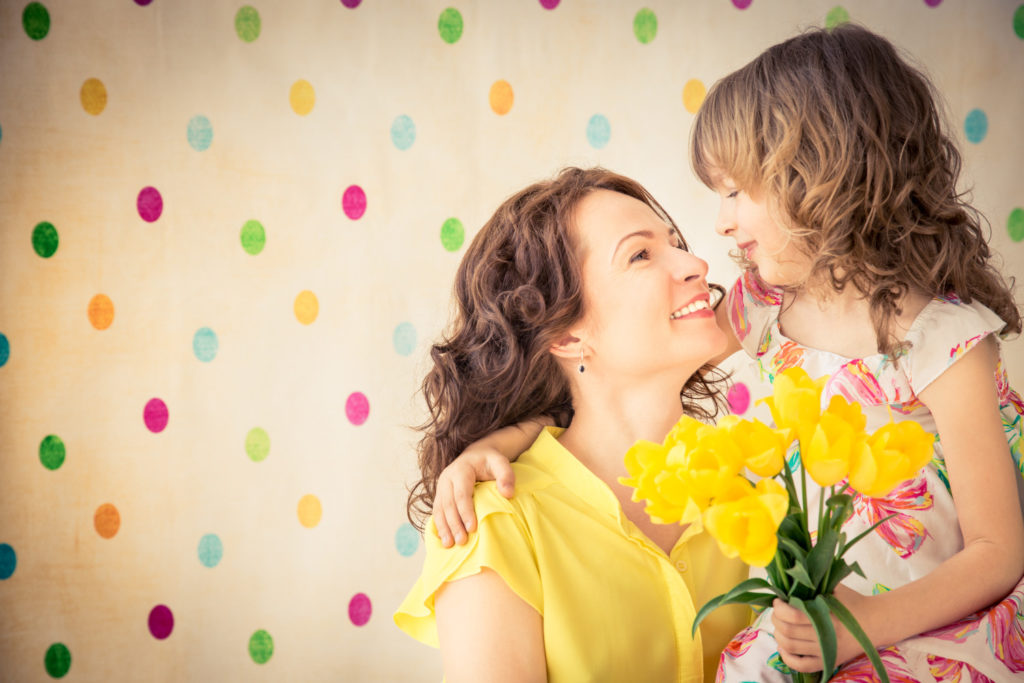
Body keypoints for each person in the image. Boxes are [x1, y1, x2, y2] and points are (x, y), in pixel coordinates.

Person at [431, 24, 1024, 681]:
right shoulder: (767, 304)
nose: (709, 239)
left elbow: (998, 548)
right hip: (815, 632)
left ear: (820, 178)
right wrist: (503, 441)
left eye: (737, 192)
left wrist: (862, 627)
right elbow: (600, 384)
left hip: (921, 628)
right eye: (642, 252)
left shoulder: (943, 339)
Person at [393, 167, 750, 683]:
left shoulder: (753, 486)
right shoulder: (495, 525)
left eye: (676, 243)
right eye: (641, 254)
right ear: (565, 337)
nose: (695, 263)